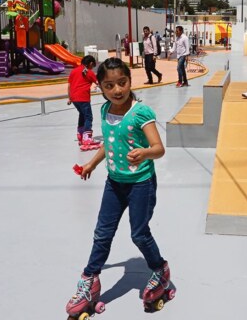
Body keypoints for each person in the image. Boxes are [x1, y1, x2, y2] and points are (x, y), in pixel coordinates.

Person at [65, 57, 170, 317]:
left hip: (140, 184)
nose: (117, 90)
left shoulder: (140, 113)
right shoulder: (105, 110)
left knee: (139, 234)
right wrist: (91, 163)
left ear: (129, 81)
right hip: (114, 183)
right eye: (109, 85)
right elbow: (108, 144)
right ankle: (90, 279)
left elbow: (159, 149)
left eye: (122, 83)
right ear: (100, 87)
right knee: (102, 233)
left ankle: (160, 269)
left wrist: (145, 152)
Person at [67, 55, 101, 150]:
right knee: (88, 116)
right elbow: (98, 83)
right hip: (83, 98)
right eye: (93, 65)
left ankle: (80, 134)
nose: (92, 68)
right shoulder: (89, 72)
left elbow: (69, 85)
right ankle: (87, 138)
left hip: (74, 98)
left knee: (82, 114)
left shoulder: (74, 71)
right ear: (90, 63)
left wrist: (69, 98)